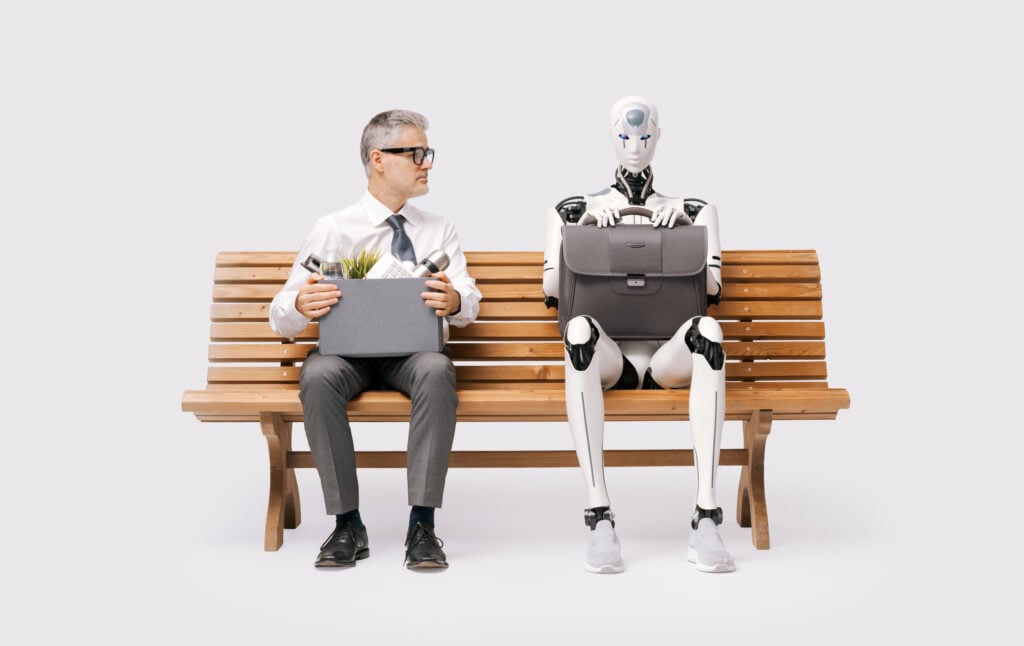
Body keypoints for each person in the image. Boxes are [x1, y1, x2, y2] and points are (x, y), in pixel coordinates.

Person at [270, 110, 481, 570]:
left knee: (437, 367)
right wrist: (299, 306)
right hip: (348, 357)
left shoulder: (438, 229)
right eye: (417, 153)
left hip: (412, 355)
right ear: (378, 159)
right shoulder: (333, 228)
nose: (427, 163)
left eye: (428, 153)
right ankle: (347, 523)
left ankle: (422, 524)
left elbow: (469, 302)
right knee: (319, 373)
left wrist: (455, 300)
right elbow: (280, 312)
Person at [542, 96, 734, 574]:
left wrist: (686, 231)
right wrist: (582, 232)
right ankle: (598, 513)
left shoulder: (695, 208)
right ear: (611, 136)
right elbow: (551, 290)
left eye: (644, 136)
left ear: (658, 137)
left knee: (708, 329)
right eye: (625, 136)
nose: (634, 146)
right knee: (580, 330)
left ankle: (706, 514)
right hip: (608, 358)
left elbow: (711, 288)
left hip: (670, 357)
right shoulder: (572, 209)